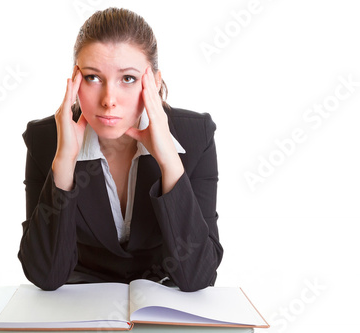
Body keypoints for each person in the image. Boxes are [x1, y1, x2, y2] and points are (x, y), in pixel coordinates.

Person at [18, 7, 222, 292]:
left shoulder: (195, 136)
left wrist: (170, 164)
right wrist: (64, 164)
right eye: (93, 77)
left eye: (127, 78)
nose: (108, 100)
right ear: (75, 81)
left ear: (154, 82)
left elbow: (198, 276)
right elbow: (46, 276)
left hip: (162, 302)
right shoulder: (45, 140)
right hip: (81, 304)